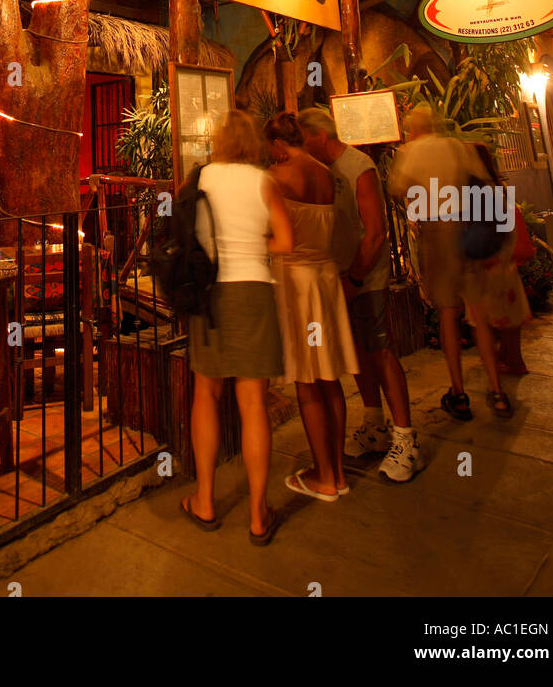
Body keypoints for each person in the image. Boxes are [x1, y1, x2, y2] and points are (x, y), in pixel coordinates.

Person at [182, 110, 294, 545]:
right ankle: (257, 515)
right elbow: (285, 242)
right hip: (253, 293)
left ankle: (205, 501)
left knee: (206, 394)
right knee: (253, 403)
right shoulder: (264, 181)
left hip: (210, 294)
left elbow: (186, 235)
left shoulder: (201, 178)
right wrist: (252, 243)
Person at [298, 107, 426, 482]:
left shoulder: (359, 167)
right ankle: (375, 425)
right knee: (358, 352)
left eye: (305, 139)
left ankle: (406, 438)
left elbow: (375, 232)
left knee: (381, 350)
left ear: (319, 136)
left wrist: (355, 278)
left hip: (364, 277)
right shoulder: (322, 171)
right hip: (340, 276)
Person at [388, 107, 513, 420]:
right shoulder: (456, 147)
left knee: (447, 313)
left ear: (412, 130)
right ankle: (497, 391)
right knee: (478, 315)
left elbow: (397, 190)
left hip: (436, 234)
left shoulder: (411, 152)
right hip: (466, 231)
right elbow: (482, 183)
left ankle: (458, 392)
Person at [265, 112, 359, 500]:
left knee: (306, 382)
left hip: (297, 283)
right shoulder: (327, 174)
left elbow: (271, 232)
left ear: (275, 144)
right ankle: (336, 470)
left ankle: (324, 477)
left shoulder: (276, 178)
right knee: (331, 378)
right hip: (326, 278)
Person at [466, 144, 532, 376]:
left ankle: (512, 360)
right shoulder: (496, 188)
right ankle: (509, 357)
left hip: (494, 264)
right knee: (507, 319)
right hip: (504, 264)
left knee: (496, 317)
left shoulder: (481, 192)